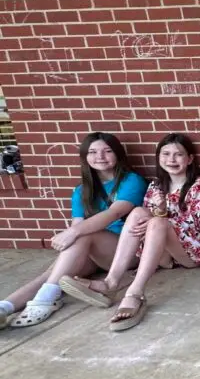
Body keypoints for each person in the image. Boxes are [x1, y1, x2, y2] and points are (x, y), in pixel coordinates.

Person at [59, 133, 200, 331]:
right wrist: (157, 216)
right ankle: (110, 282)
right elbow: (146, 217)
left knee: (157, 223)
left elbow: (198, 226)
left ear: (189, 159)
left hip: (195, 252)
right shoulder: (156, 186)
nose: (171, 160)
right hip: (165, 255)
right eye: (166, 154)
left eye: (178, 155)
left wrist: (161, 216)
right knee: (138, 212)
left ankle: (135, 293)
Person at [3, 132, 146, 328]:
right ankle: (6, 307)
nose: (100, 157)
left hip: (128, 251)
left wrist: (73, 233)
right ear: (85, 157)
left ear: (118, 154)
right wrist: (72, 239)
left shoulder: (131, 181)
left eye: (107, 151)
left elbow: (113, 214)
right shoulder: (81, 190)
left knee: (82, 234)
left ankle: (46, 300)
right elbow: (77, 223)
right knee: (54, 274)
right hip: (96, 253)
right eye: (93, 152)